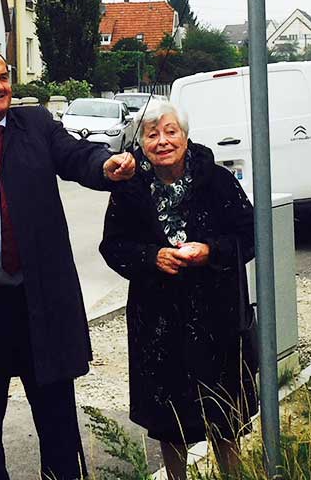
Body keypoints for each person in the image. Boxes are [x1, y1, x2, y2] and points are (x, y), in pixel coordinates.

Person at [0, 48, 135, 480]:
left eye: (4, 77)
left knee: (57, 422)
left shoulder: (37, 125)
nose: (0, 86)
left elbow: (78, 157)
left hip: (39, 304)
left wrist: (106, 166)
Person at [99, 100, 257, 480]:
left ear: (186, 137)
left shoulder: (216, 180)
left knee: (223, 413)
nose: (163, 141)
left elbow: (250, 234)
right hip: (158, 322)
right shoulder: (130, 188)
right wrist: (152, 257)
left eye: (171, 132)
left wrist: (210, 251)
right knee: (169, 420)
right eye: (153, 134)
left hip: (216, 317)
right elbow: (113, 246)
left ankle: (233, 475)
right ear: (143, 143)